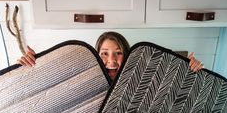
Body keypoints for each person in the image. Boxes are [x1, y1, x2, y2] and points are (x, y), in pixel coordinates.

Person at [17, 31, 204, 80]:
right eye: (104, 54)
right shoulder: (87, 78)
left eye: (119, 53)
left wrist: (189, 67)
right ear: (96, 56)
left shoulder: (140, 78)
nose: (112, 60)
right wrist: (34, 65)